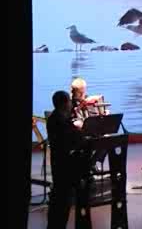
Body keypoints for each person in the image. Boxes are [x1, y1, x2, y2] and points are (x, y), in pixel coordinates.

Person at [46, 90, 85, 229]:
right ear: (64, 103)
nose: (70, 104)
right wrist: (80, 128)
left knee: (60, 201)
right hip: (65, 166)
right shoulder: (60, 120)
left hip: (59, 164)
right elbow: (74, 138)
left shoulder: (55, 117)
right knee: (62, 203)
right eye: (69, 101)